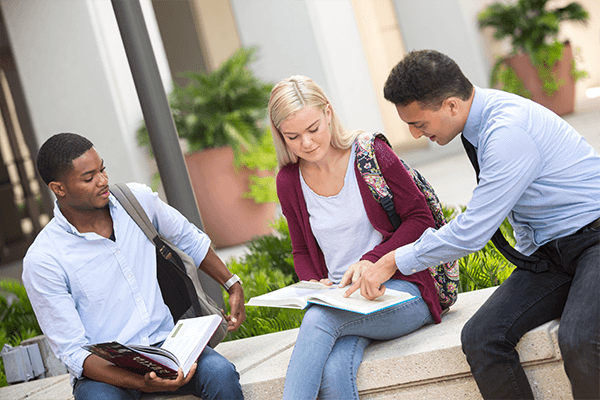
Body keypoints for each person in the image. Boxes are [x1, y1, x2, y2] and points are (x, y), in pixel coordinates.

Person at [344, 49, 600, 399]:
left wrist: (391, 261)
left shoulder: (507, 130)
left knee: (580, 340)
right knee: (481, 338)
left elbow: (473, 230)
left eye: (419, 124)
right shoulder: (475, 124)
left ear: (451, 105)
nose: (416, 135)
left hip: (595, 241)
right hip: (553, 254)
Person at [23, 133, 246, 400]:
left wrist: (232, 283)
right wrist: (142, 383)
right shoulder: (44, 259)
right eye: (89, 177)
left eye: (102, 169)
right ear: (58, 188)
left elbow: (190, 240)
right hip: (106, 369)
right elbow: (74, 352)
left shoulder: (136, 201)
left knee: (222, 374)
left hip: (169, 345)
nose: (103, 180)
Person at [268, 75, 443, 400]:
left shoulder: (371, 155)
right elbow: (301, 250)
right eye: (293, 136)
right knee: (334, 372)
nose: (306, 143)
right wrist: (313, 281)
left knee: (318, 319)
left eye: (313, 129)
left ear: (329, 113)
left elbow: (421, 219)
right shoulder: (289, 181)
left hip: (401, 292)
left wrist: (373, 260)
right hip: (341, 300)